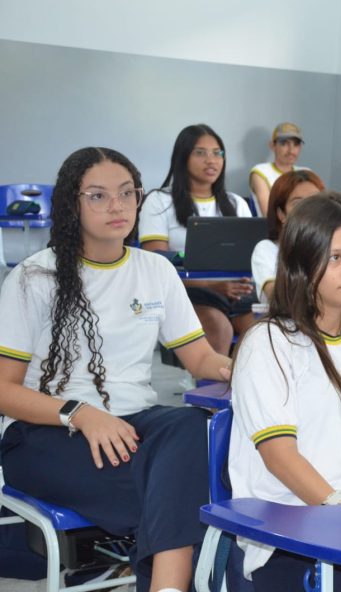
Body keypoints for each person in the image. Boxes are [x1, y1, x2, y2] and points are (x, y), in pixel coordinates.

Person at [0, 147, 232, 592]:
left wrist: (242, 368)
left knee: (190, 425)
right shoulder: (33, 278)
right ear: (72, 204)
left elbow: (201, 359)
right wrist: (80, 414)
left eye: (127, 193)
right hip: (44, 433)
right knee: (194, 487)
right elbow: (4, 390)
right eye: (99, 196)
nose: (118, 206)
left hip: (134, 428)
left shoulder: (156, 271)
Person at [229, 192, 341, 590]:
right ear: (301, 262)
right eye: (336, 257)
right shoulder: (269, 344)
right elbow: (280, 456)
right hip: (291, 532)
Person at [139, 123, 256, 355]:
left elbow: (250, 259)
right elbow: (155, 262)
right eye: (200, 153)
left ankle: (238, 387)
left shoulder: (236, 203)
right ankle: (210, 388)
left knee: (263, 331)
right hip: (186, 291)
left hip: (236, 293)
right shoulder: (159, 202)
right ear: (182, 157)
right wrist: (211, 284)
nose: (211, 160)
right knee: (219, 328)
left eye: (217, 153)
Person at [251, 169, 325, 303]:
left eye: (314, 201)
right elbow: (278, 297)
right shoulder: (266, 250)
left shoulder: (333, 247)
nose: (308, 209)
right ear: (281, 214)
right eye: (297, 203)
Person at [249, 122, 310, 216]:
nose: (291, 150)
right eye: (284, 143)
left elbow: (316, 211)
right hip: (271, 230)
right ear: (272, 145)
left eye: (296, 144)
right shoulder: (260, 172)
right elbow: (269, 215)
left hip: (304, 228)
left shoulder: (306, 173)